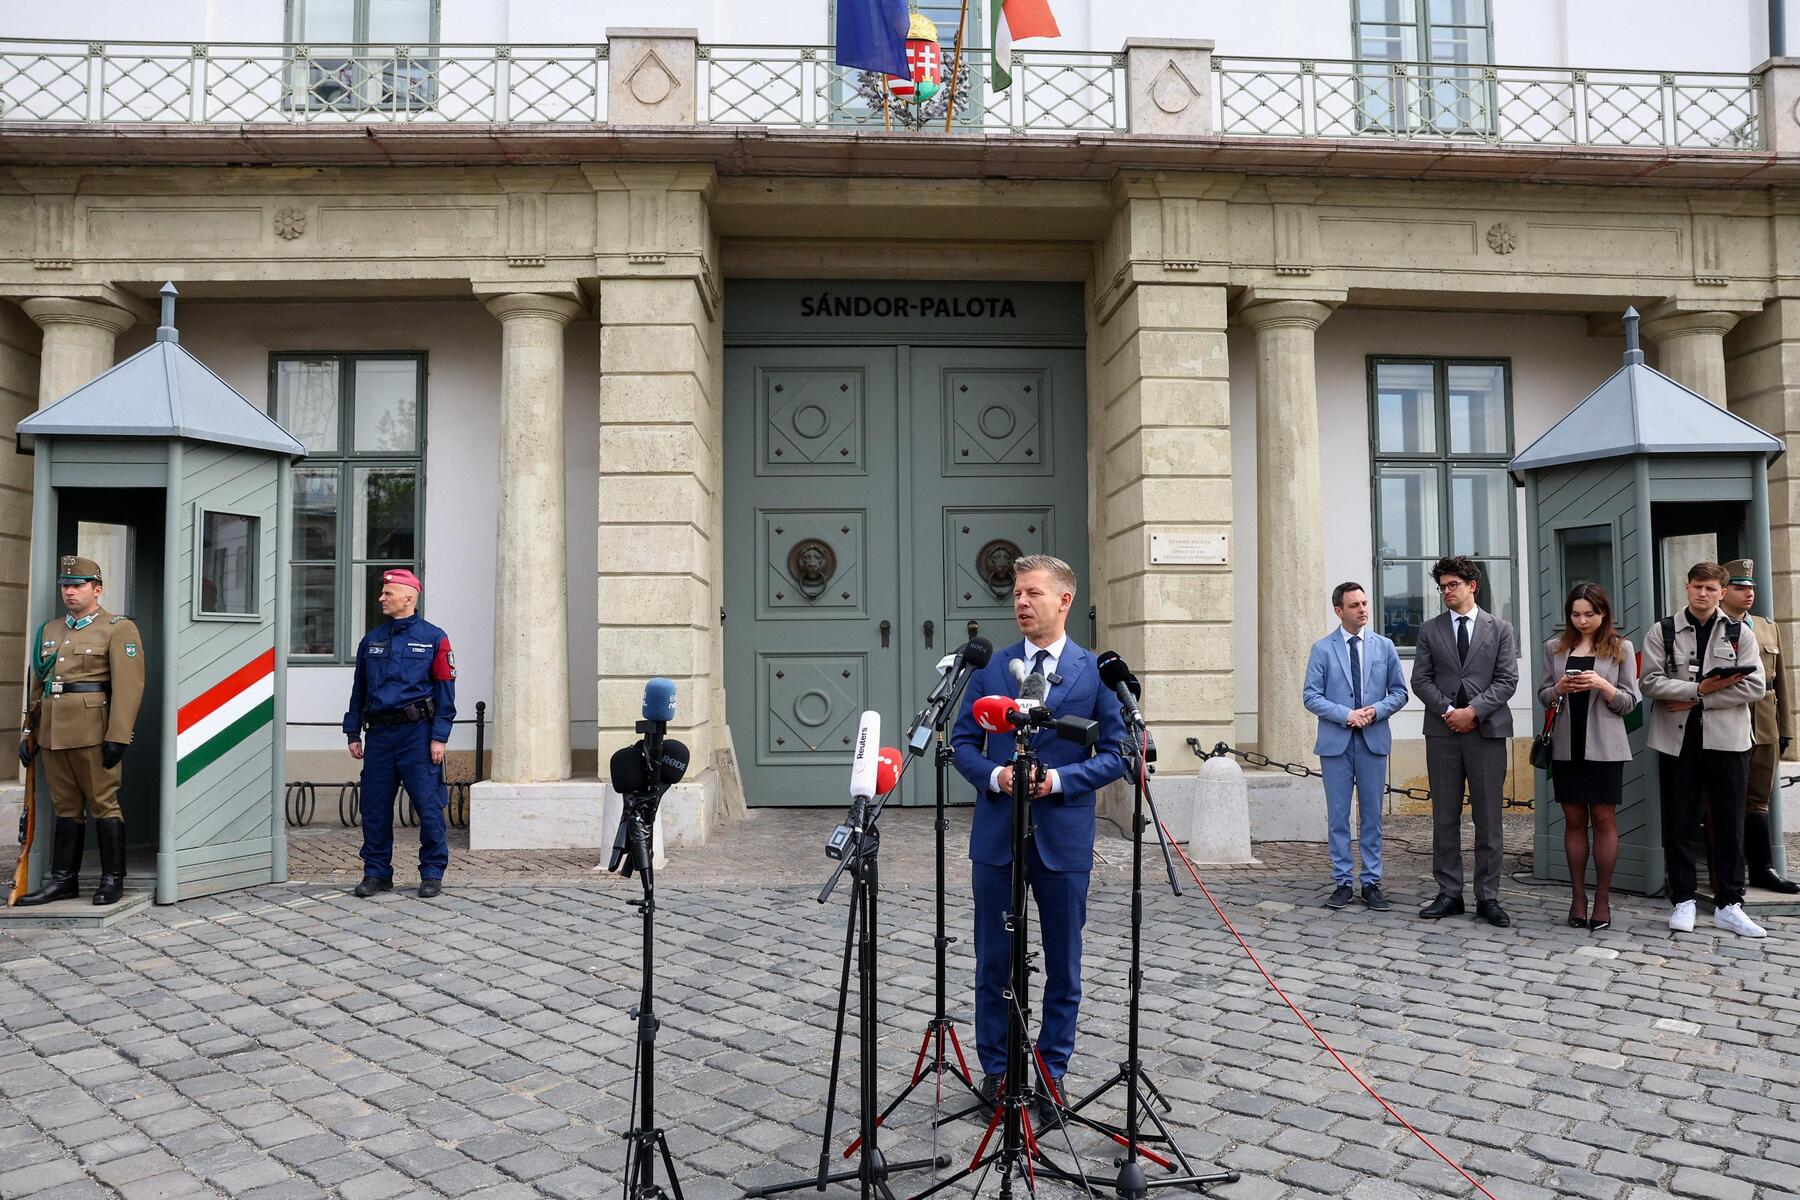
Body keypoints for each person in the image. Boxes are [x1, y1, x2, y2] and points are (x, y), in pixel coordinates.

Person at [951, 554, 1126, 1132]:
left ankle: (1050, 1078)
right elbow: (964, 743)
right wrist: (996, 777)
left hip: (1063, 837)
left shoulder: (1093, 671)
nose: (1021, 603)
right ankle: (997, 1073)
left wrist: (1058, 780)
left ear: (1064, 600)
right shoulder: (993, 668)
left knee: (1063, 965)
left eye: (1032, 593)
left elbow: (1118, 752)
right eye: (1017, 594)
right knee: (993, 961)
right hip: (998, 835)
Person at [1641, 562, 1768, 937]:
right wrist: (1697, 690)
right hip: (1677, 740)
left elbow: (1756, 687)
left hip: (1727, 740)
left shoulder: (1739, 630)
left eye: (1711, 588)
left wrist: (1703, 700)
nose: (1703, 594)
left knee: (1730, 821)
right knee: (1679, 821)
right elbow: (1649, 682)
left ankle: (1730, 903)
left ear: (1721, 591)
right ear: (1686, 587)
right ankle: (1683, 899)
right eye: (1697, 586)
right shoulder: (1662, 630)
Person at [15, 555, 147, 907]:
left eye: (78, 585)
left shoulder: (118, 628)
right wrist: (30, 732)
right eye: (65, 585)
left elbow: (129, 687)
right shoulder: (50, 630)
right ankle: (63, 881)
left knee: (103, 804)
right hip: (52, 731)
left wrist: (118, 736)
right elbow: (38, 685)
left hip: (93, 730)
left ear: (97, 589)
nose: (70, 592)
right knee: (65, 806)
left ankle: (112, 879)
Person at [1410, 554, 1519, 928]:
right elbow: (1420, 680)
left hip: (1486, 732)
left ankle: (1488, 896)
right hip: (1443, 733)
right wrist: (1448, 711)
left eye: (1452, 585)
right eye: (1441, 587)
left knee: (1488, 818)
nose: (1446, 592)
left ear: (1472, 585)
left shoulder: (1500, 628)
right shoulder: (1430, 629)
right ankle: (1449, 893)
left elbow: (1507, 680)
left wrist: (1472, 711)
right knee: (1444, 816)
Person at [343, 568, 456, 899]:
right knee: (374, 807)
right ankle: (377, 872)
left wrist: (440, 736)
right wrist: (353, 731)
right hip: (379, 736)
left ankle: (432, 872)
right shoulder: (372, 640)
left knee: (429, 805)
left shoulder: (435, 638)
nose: (381, 598)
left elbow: (445, 691)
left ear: (409, 597)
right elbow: (359, 689)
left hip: (417, 735)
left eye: (387, 593)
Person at [1535, 583, 1640, 931]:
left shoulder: (1620, 647)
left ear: (1603, 614)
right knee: (1573, 819)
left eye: (1589, 614)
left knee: (1604, 818)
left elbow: (1629, 703)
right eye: (1576, 614)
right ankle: (1578, 897)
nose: (1582, 621)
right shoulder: (1555, 647)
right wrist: (1558, 689)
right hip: (1567, 745)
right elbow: (1544, 695)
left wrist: (1602, 685)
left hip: (1605, 746)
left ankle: (1603, 898)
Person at [1302, 581, 1409, 911]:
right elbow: (1311, 696)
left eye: (1364, 603)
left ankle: (1372, 881)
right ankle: (1342, 881)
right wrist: (1346, 715)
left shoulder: (1384, 647)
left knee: (1372, 816)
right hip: (1336, 743)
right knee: (1338, 816)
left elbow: (1399, 693)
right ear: (1339, 611)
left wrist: (1375, 711)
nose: (1363, 609)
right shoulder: (1322, 649)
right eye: (1354, 605)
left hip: (1373, 741)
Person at [1719, 559, 1800, 894]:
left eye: (1751, 587)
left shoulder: (1767, 626)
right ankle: (1728, 871)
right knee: (1723, 800)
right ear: (1724, 592)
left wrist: (1786, 729)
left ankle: (1763, 869)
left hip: (1764, 722)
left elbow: (1781, 682)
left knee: (1758, 801)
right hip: (1727, 720)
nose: (1748, 593)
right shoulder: (1713, 626)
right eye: (1740, 587)